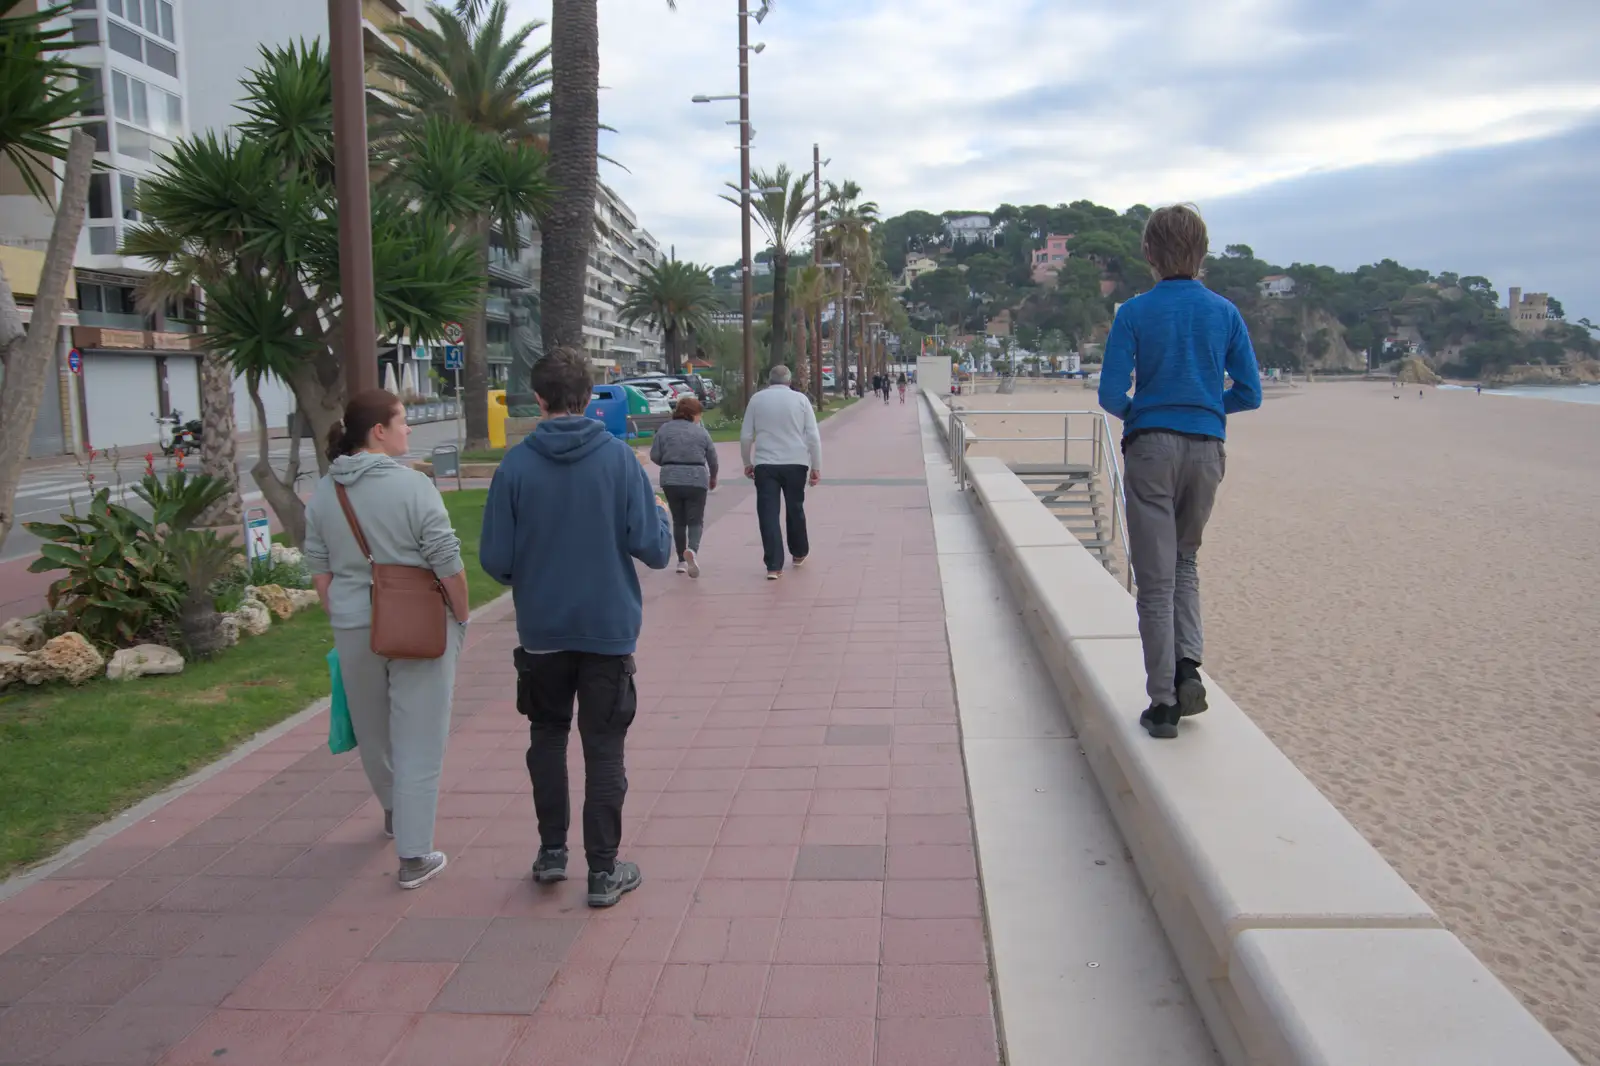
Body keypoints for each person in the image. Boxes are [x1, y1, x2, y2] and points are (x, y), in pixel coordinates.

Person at [480, 349, 674, 908]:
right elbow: (655, 550)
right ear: (588, 398)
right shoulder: (619, 461)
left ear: (538, 400)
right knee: (604, 747)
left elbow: (496, 560)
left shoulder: (514, 467)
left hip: (542, 628)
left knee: (546, 736)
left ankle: (551, 853)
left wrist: (534, 571)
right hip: (608, 627)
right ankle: (604, 871)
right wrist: (658, 508)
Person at [1097, 204, 1262, 741]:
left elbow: (1109, 394)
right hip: (1207, 449)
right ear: (1203, 251)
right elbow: (1250, 393)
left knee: (1155, 580)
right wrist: (1207, 409)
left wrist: (1145, 414)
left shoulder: (1134, 313)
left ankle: (1164, 703)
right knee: (1186, 561)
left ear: (1148, 253)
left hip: (1151, 451)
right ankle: (1189, 666)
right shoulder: (1224, 312)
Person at [304, 389, 470, 890]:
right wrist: (460, 616)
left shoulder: (324, 491)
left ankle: (398, 813)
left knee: (375, 733)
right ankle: (415, 854)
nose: (409, 430)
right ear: (378, 431)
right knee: (420, 737)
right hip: (418, 621)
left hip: (354, 625)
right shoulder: (414, 486)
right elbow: (446, 558)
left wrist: (348, 614)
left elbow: (319, 569)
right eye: (402, 421)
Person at [741, 364, 822, 580]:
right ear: (789, 381)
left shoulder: (757, 400)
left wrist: (747, 462)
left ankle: (773, 565)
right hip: (796, 462)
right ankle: (798, 552)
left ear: (769, 380)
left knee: (768, 512)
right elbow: (813, 436)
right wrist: (816, 466)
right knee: (795, 508)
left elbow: (746, 435)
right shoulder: (801, 400)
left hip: (765, 463)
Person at [649, 395, 718, 578]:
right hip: (696, 478)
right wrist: (713, 477)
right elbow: (712, 457)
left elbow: (654, 454)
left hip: (671, 479)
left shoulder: (664, 429)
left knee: (679, 520)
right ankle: (692, 551)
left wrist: (669, 464)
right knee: (695, 520)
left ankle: (680, 560)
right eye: (699, 414)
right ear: (693, 414)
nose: (700, 418)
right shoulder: (701, 432)